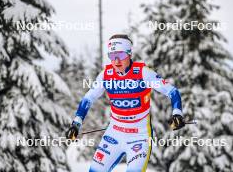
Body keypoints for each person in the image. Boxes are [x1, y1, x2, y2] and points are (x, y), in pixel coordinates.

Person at [66, 34, 185, 172]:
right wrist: (76, 123)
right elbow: (88, 98)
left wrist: (177, 113)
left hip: (139, 136)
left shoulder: (143, 73)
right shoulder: (106, 75)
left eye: (121, 55)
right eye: (112, 56)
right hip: (114, 134)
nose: (116, 61)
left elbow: (172, 91)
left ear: (129, 54)